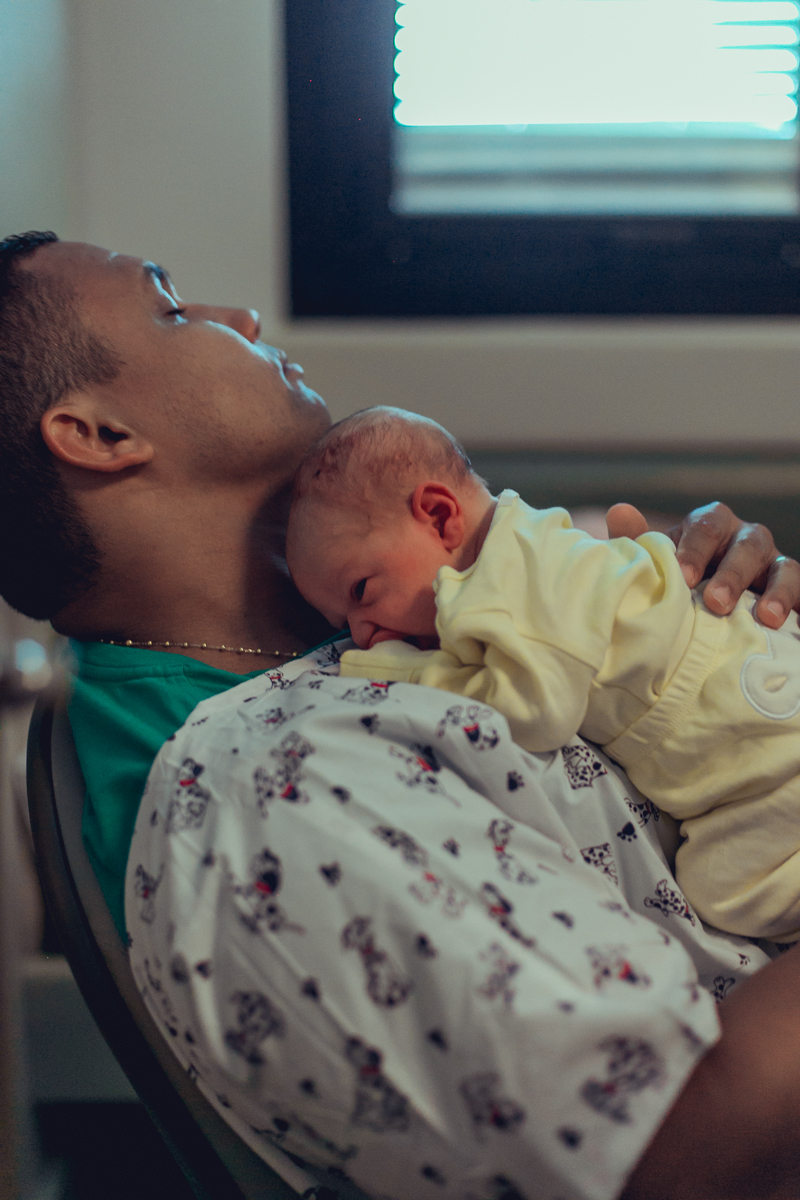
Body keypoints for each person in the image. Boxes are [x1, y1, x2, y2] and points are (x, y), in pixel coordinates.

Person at [4, 230, 800, 1200]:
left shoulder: (383, 641)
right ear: (96, 433)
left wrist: (707, 639)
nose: (241, 318)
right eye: (171, 308)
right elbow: (683, 1163)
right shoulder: (278, 783)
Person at [286, 407, 800, 945]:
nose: (362, 634)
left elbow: (539, 711)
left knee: (720, 889)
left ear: (439, 516)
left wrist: (401, 671)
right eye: (342, 624)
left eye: (362, 591)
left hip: (752, 731)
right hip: (755, 684)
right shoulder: (533, 539)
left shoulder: (504, 585)